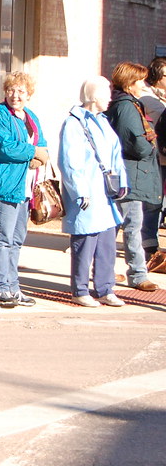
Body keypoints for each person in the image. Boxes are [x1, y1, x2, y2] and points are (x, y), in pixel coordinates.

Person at [0, 72, 50, 308]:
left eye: (21, 91)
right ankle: (1, 289)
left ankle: (14, 287)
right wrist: (33, 154)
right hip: (6, 184)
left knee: (18, 239)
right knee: (3, 238)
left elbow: (42, 144)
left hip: (26, 185)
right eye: (11, 90)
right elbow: (5, 148)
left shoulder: (30, 116)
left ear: (29, 94)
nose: (15, 95)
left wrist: (40, 154)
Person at [60, 77, 129, 307]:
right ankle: (80, 290)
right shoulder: (74, 123)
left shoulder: (103, 121)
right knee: (84, 242)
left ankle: (105, 288)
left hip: (105, 195)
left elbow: (115, 153)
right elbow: (70, 161)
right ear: (93, 96)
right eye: (106, 93)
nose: (110, 97)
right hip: (88, 193)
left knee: (107, 244)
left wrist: (122, 181)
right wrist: (80, 191)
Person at [105, 62, 161, 292]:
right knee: (132, 226)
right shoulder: (127, 106)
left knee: (116, 225)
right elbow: (135, 142)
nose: (143, 84)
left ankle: (105, 269)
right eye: (139, 80)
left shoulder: (123, 103)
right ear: (130, 83)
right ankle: (138, 273)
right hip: (131, 175)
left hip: (129, 173)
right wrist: (150, 148)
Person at [140, 56, 166, 272]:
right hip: (157, 158)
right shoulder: (148, 99)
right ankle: (149, 245)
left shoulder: (161, 98)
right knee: (153, 203)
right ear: (157, 77)